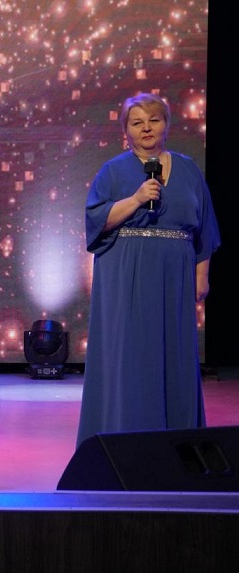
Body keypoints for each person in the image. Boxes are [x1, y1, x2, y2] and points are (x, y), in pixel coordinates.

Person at [77, 92, 221, 446]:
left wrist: (201, 274)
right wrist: (137, 198)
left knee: (176, 356)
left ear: (166, 125)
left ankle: (177, 445)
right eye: (137, 122)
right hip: (127, 272)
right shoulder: (113, 171)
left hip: (175, 275)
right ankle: (126, 444)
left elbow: (205, 227)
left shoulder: (188, 169)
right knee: (132, 357)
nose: (146, 128)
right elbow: (96, 221)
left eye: (154, 120)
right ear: (125, 130)